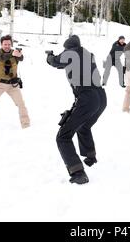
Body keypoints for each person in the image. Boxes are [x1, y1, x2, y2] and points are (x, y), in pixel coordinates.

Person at [46, 35, 107, 185]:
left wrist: (49, 56)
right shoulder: (87, 54)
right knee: (84, 126)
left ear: (68, 47)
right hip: (101, 97)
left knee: (63, 136)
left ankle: (78, 173)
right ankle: (90, 157)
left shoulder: (70, 53)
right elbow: (65, 64)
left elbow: (56, 62)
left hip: (87, 97)